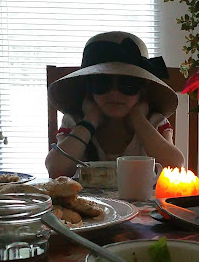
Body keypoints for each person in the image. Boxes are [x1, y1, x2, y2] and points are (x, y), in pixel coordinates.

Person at [45, 31, 185, 178]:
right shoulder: (75, 121)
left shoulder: (154, 122)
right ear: (89, 89)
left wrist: (139, 120)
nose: (114, 93)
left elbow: (175, 168)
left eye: (128, 85)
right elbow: (56, 169)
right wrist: (89, 121)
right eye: (101, 84)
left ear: (142, 90)